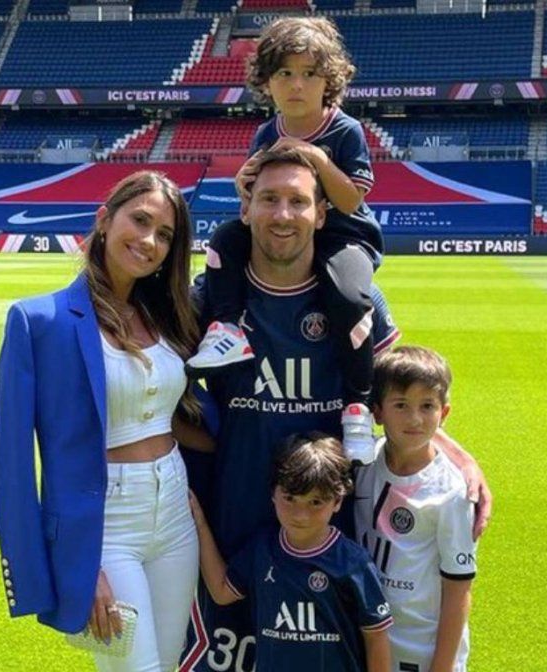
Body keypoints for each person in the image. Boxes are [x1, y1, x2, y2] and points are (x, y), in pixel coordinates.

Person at [180, 148, 490, 672]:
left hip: (334, 527)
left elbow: (400, 393)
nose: (283, 214)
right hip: (235, 520)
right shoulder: (212, 295)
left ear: (321, 213)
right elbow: (152, 382)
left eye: (298, 201)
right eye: (269, 199)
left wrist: (450, 448)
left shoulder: (357, 295)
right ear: (246, 207)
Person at [0, 171, 210, 672]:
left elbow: (176, 418)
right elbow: (13, 468)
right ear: (105, 219)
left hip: (174, 514)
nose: (150, 241)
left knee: (171, 662)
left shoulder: (167, 316)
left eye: (166, 235)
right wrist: (75, 563)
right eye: (140, 221)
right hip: (107, 525)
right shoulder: (38, 321)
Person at [186, 16, 385, 464]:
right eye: (284, 74)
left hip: (343, 235)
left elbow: (351, 201)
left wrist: (316, 159)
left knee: (350, 296)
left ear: (329, 80)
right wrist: (244, 183)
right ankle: (226, 328)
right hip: (290, 227)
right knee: (223, 240)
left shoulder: (344, 130)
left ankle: (356, 405)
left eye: (309, 74)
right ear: (268, 82)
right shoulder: (267, 132)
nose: (297, 85)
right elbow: (256, 187)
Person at [189, 433, 393, 672]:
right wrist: (200, 525)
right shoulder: (263, 549)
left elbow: (376, 636)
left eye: (316, 502)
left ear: (338, 501)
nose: (300, 515)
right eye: (290, 498)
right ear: (272, 493)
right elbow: (222, 591)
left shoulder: (353, 563)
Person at [355, 346, 477, 672]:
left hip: (420, 650)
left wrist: (442, 667)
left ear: (444, 413)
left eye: (427, 406)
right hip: (365, 640)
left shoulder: (452, 492)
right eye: (401, 405)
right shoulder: (362, 465)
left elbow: (458, 589)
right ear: (377, 412)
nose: (415, 419)